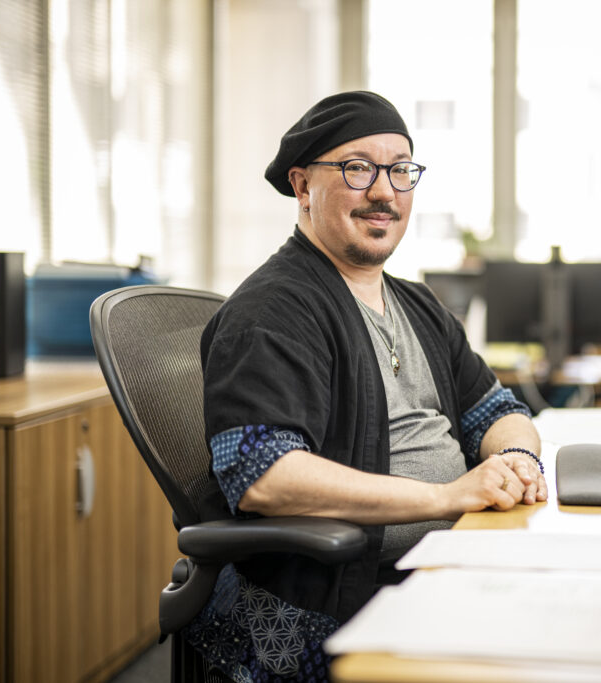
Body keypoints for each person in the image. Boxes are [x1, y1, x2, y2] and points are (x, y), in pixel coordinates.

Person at [189, 91, 546, 682]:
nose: (385, 191)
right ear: (303, 187)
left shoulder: (418, 304)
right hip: (335, 603)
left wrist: (515, 457)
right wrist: (448, 496)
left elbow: (498, 409)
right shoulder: (274, 310)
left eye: (400, 170)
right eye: (357, 168)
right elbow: (263, 478)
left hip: (449, 566)